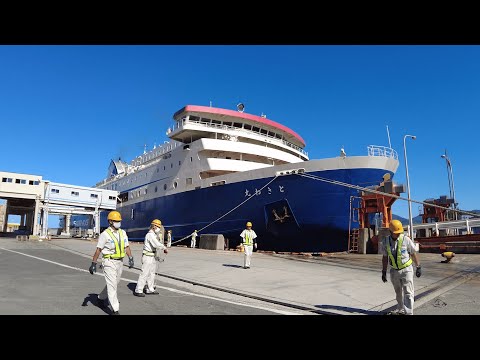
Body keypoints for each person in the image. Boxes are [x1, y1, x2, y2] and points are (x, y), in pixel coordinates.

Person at [89, 210, 134, 315]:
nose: (118, 222)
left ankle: (100, 298)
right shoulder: (105, 234)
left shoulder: (123, 233)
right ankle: (115, 309)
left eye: (119, 221)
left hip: (120, 262)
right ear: (110, 221)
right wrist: (93, 263)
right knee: (112, 284)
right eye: (116, 221)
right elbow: (98, 250)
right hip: (109, 262)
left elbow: (126, 247)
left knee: (114, 283)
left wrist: (130, 258)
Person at [381, 219, 422, 315]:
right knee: (398, 293)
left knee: (408, 292)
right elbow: (385, 257)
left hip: (406, 270)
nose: (398, 234)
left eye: (399, 232)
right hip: (394, 271)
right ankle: (400, 310)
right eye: (396, 233)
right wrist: (383, 271)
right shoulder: (385, 241)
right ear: (391, 232)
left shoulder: (406, 239)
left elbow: (413, 253)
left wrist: (418, 266)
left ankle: (408, 313)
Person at [134, 219, 168, 297]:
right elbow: (156, 244)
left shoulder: (154, 235)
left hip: (152, 256)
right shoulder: (150, 235)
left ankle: (150, 288)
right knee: (144, 273)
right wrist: (164, 248)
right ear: (154, 226)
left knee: (152, 273)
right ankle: (138, 289)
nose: (159, 228)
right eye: (158, 226)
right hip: (147, 256)